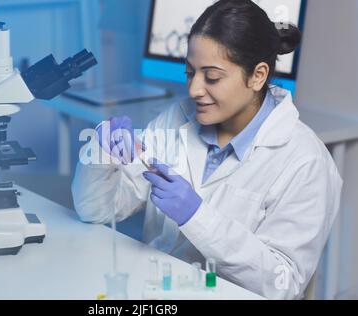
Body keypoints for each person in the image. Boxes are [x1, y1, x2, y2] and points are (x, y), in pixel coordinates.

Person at [71, 0, 342, 299]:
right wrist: (101, 152)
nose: (194, 90)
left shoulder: (305, 160)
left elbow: (284, 284)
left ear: (258, 75)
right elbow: (95, 210)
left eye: (211, 77)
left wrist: (196, 216)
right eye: (190, 73)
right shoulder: (177, 119)